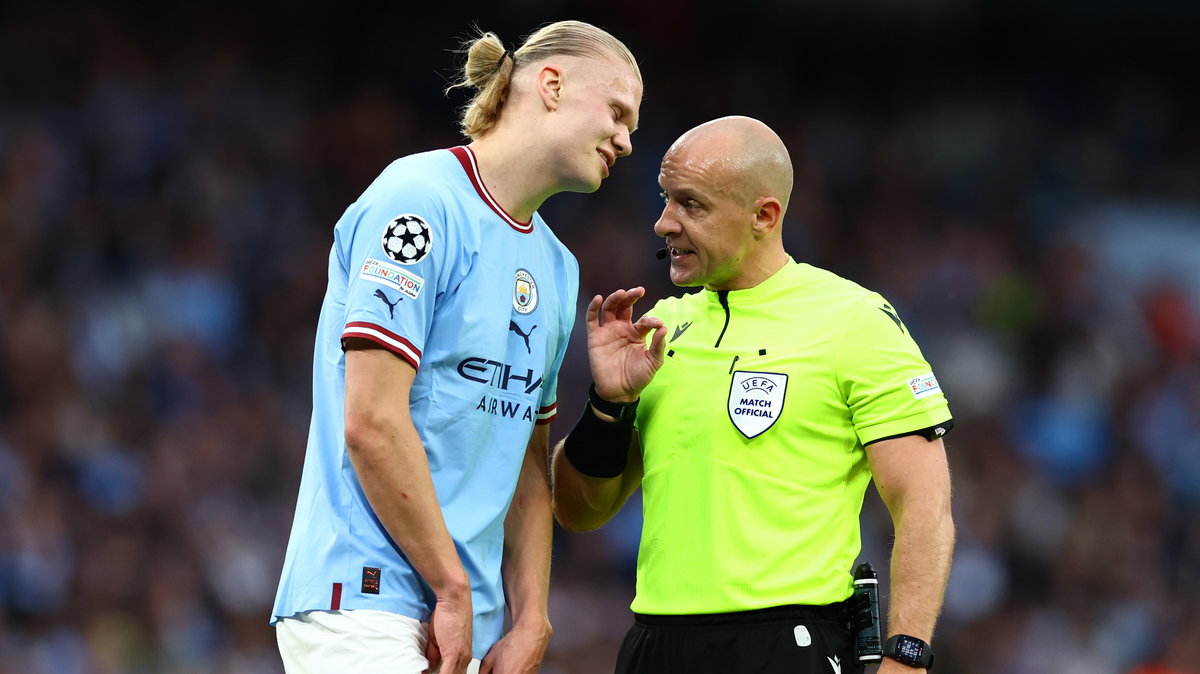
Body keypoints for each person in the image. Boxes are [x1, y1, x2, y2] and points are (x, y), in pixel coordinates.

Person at [272, 21, 642, 674]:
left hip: (465, 622)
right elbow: (372, 421)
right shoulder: (417, 201)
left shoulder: (557, 267)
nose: (627, 140)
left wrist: (532, 612)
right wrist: (450, 586)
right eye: (617, 113)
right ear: (551, 86)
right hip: (364, 602)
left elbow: (526, 455)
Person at [551, 116, 955, 674]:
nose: (664, 223)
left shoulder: (854, 321)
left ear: (764, 216)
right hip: (653, 646)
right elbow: (577, 511)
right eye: (666, 200)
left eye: (691, 205)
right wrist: (609, 404)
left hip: (786, 643)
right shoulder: (658, 330)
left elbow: (924, 506)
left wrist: (906, 658)